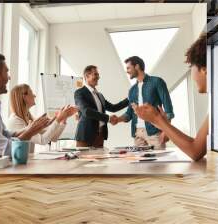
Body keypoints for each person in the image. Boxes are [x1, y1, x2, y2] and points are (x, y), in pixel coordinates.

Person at [132, 33, 207, 161]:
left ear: (204, 69)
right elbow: (196, 147)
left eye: (191, 67)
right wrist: (161, 123)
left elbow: (195, 152)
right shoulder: (133, 90)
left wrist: (159, 122)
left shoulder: (156, 82)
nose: (192, 74)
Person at [0, 52, 49, 157]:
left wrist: (29, 129)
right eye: (6, 72)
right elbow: (6, 149)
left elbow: (6, 134)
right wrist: (30, 131)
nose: (9, 78)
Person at [111, 56, 174, 150]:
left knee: (159, 163)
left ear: (137, 66)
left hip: (155, 132)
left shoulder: (157, 82)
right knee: (140, 164)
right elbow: (129, 114)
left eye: (128, 68)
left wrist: (166, 131)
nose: (127, 71)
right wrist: (118, 119)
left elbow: (168, 109)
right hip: (138, 134)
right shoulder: (132, 90)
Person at [7, 84, 78, 153]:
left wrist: (64, 119)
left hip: (27, 161)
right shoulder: (15, 121)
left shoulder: (29, 117)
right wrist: (58, 119)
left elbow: (54, 137)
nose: (34, 95)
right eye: (31, 92)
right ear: (24, 97)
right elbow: (43, 140)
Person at [74, 65, 129, 147]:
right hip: (85, 136)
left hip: (100, 136)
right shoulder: (79, 93)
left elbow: (113, 108)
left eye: (98, 75)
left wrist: (130, 98)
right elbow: (86, 111)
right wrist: (108, 118)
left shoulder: (100, 95)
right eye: (95, 74)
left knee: (100, 159)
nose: (98, 77)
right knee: (84, 159)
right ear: (87, 76)